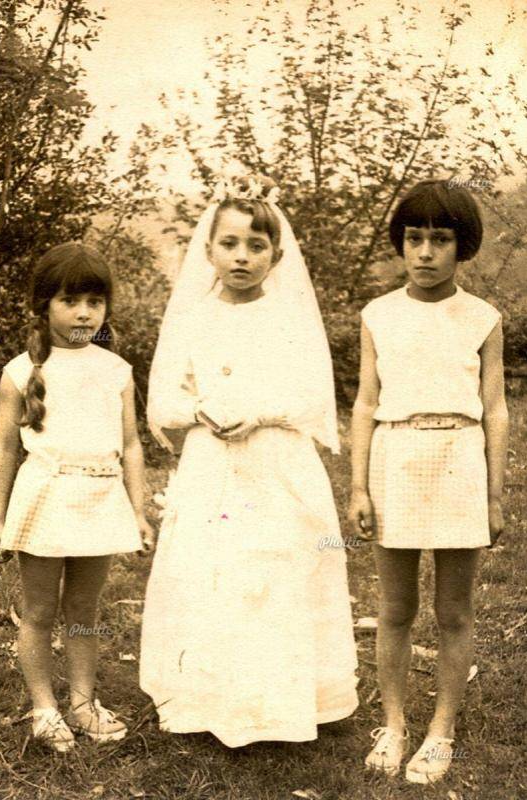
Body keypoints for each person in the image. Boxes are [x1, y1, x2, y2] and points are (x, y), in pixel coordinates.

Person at [140, 174, 358, 748]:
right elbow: (163, 399)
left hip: (276, 462)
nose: (241, 257)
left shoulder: (289, 317)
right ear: (209, 251)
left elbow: (313, 397)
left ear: (276, 255)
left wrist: (260, 413)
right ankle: (208, 699)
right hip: (212, 463)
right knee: (211, 569)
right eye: (230, 244)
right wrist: (200, 409)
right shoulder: (193, 317)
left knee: (276, 570)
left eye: (256, 246)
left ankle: (279, 703)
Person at [349, 179, 508, 783]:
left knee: (454, 611)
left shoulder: (482, 318)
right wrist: (359, 487)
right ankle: (393, 724)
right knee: (395, 607)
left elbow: (495, 409)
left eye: (440, 240)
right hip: (396, 457)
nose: (424, 252)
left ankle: (440, 731)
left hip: (459, 459)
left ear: (461, 246)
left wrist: (493, 494)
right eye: (414, 238)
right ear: (401, 243)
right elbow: (366, 403)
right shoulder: (378, 315)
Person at [0, 243, 155, 753]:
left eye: (94, 302)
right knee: (39, 610)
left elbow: (131, 445)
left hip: (99, 497)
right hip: (45, 499)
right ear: (45, 306)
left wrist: (139, 510)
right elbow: (4, 448)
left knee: (84, 607)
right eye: (70, 301)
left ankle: (83, 703)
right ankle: (44, 708)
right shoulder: (21, 371)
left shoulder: (116, 369)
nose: (84, 313)